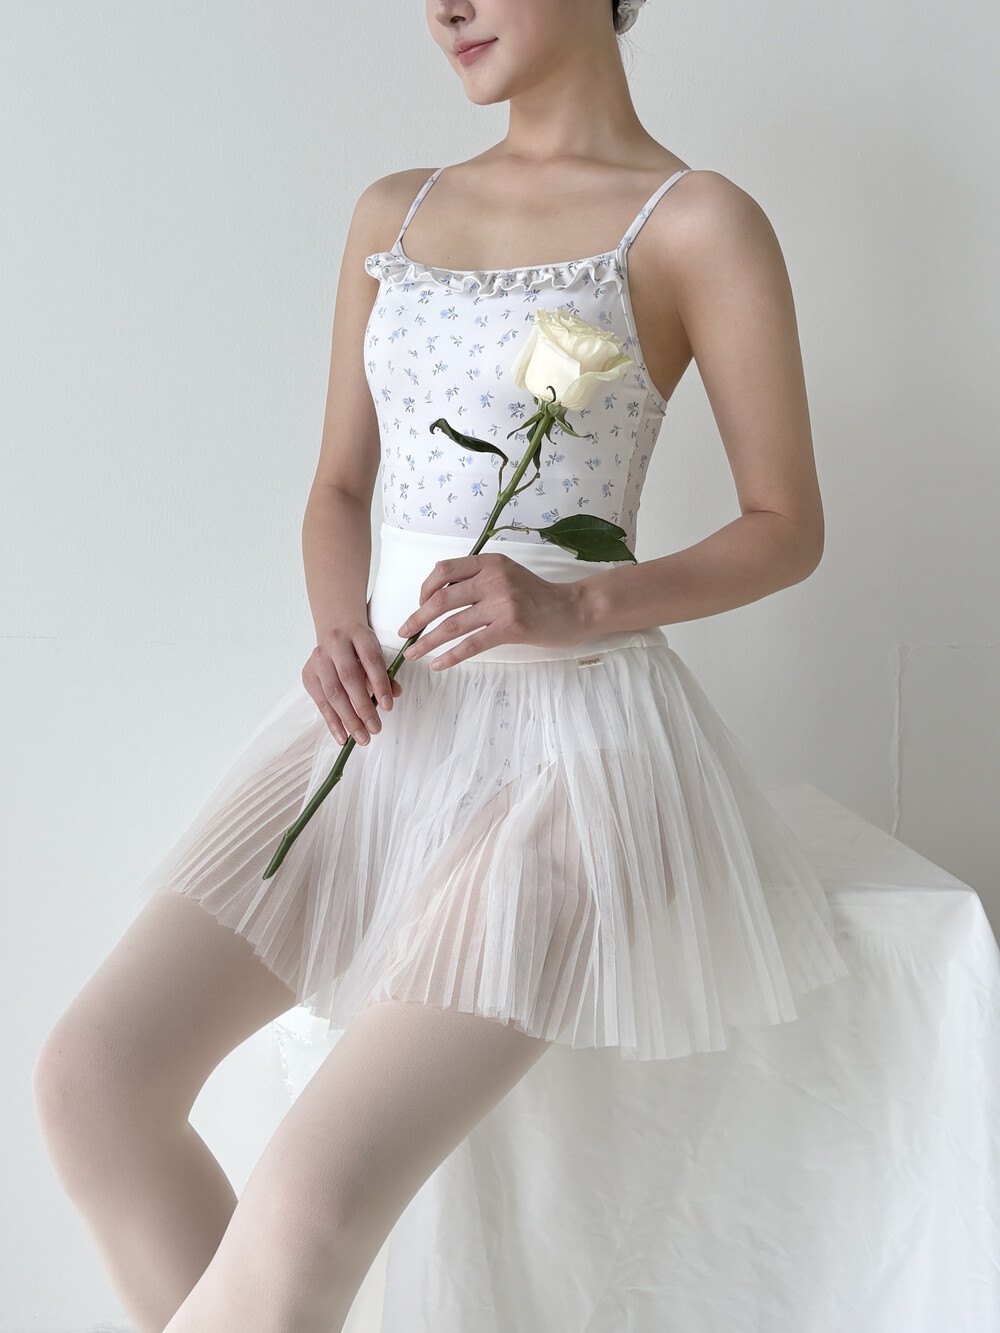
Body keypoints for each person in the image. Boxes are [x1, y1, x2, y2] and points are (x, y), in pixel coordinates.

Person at [31, 1, 851, 1330]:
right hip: (384, 722)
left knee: (308, 1202)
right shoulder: (394, 211)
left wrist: (577, 605)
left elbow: (786, 526)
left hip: (573, 761)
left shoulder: (697, 221)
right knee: (92, 1081)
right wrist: (336, 625)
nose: (444, 7)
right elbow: (337, 487)